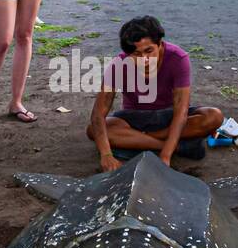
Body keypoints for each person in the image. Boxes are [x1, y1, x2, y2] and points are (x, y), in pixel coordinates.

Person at [86, 15, 225, 171]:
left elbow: (181, 111)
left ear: (160, 44)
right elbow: (98, 114)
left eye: (149, 51)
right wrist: (106, 155)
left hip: (169, 117)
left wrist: (165, 156)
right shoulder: (119, 65)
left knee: (214, 116)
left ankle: (137, 143)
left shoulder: (178, 58)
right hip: (134, 118)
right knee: (93, 130)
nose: (144, 60)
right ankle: (181, 147)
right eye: (136, 54)